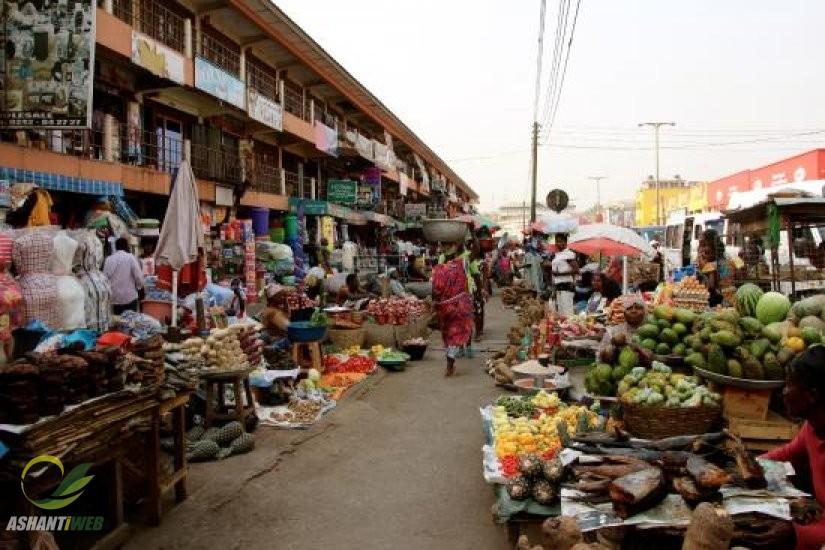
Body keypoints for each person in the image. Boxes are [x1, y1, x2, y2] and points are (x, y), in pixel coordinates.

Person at [761, 346, 825, 550]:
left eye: (789, 384)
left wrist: (794, 533)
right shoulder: (813, 428)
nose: (783, 392)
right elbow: (784, 455)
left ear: (811, 395)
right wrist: (743, 468)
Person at [432, 243, 474, 377]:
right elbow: (476, 252)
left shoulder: (439, 270)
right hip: (460, 306)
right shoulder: (462, 264)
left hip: (445, 308)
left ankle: (450, 364)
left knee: (449, 336)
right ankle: (450, 364)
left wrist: (437, 304)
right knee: (455, 335)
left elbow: (435, 291)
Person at [103, 237, 144, 315]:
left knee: (117, 323)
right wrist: (139, 287)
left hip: (114, 299)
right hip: (130, 297)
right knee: (131, 323)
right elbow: (138, 277)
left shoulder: (109, 259)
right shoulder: (131, 258)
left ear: (116, 247)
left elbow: (105, 278)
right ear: (126, 246)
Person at [698, 229, 736, 307]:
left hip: (724, 302)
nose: (703, 251)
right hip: (727, 298)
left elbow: (711, 287)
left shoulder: (717, 264)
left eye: (704, 245)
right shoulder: (722, 260)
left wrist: (703, 272)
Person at [551, 234, 578, 315]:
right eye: (557, 241)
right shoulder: (558, 254)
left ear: (566, 242)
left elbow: (576, 270)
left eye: (561, 241)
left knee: (567, 313)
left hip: (566, 285)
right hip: (558, 286)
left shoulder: (568, 254)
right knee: (561, 313)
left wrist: (559, 274)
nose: (559, 243)